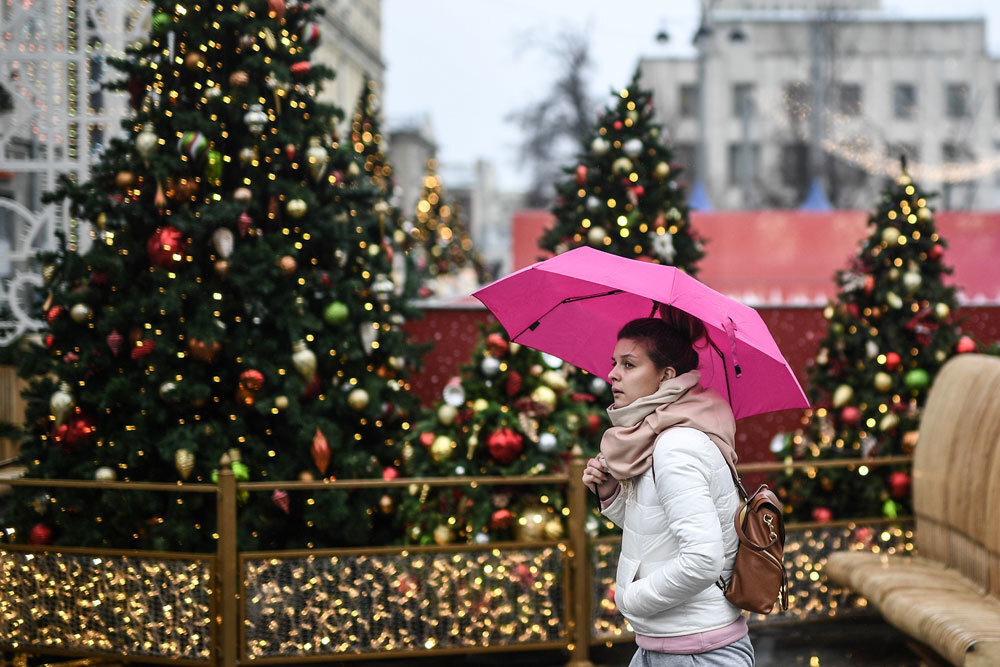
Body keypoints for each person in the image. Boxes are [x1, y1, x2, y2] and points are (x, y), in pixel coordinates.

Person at [582, 308, 754, 666]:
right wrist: (612, 492)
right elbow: (659, 531)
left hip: (696, 652)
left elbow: (703, 560)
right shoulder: (663, 432)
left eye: (629, 365)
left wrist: (629, 599)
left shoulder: (676, 446)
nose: (613, 374)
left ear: (666, 375)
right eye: (614, 362)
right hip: (670, 645)